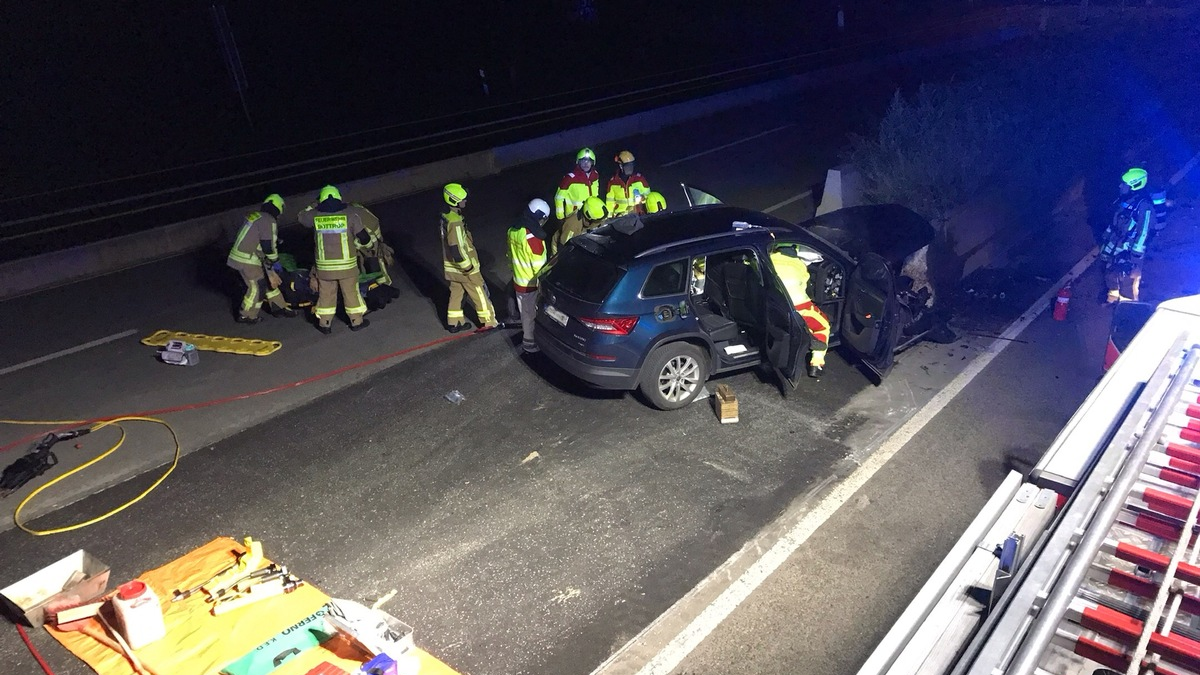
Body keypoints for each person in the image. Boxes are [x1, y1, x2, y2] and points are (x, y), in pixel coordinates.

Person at [297, 185, 372, 334]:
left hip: (324, 269)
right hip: (347, 267)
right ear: (339, 198)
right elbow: (365, 238)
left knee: (326, 295)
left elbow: (300, 216)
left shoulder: (315, 215)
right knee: (351, 294)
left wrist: (314, 203)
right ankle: (356, 322)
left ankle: (325, 324)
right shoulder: (351, 214)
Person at [226, 193, 297, 324]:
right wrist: (275, 261)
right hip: (248, 259)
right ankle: (246, 315)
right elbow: (268, 246)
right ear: (278, 208)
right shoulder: (269, 220)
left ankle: (279, 307)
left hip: (243, 256)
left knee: (269, 281)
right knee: (257, 286)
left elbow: (254, 237)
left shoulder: (256, 216)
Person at [441, 183, 497, 332]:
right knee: (479, 293)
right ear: (454, 200)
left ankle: (454, 323)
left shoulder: (447, 217)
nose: (465, 201)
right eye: (462, 199)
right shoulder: (455, 222)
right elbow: (456, 248)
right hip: (464, 268)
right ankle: (488, 322)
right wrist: (468, 267)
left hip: (452, 268)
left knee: (456, 293)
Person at [770, 244, 831, 378]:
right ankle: (817, 363)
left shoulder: (769, 260)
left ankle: (805, 333)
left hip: (776, 306)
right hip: (799, 307)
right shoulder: (799, 265)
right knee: (823, 326)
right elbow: (807, 288)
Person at [1100, 168, 1155, 303]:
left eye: (1124, 184)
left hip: (1129, 247)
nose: (1120, 186)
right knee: (1111, 269)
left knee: (1128, 277)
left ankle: (1128, 304)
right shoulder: (1126, 200)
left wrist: (1135, 254)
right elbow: (1116, 219)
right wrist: (1107, 235)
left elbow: (1144, 232)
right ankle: (1113, 296)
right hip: (1116, 241)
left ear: (1134, 186)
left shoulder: (1144, 206)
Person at [508, 199, 550, 352]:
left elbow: (510, 255)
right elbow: (540, 268)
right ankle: (529, 343)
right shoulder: (534, 239)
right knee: (529, 315)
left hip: (518, 279)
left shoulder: (514, 230)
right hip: (530, 284)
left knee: (525, 312)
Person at [351, 201, 400, 299]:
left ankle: (382, 288)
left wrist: (375, 244)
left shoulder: (351, 213)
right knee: (372, 261)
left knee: (372, 261)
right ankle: (381, 287)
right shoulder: (354, 209)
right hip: (367, 237)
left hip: (366, 238)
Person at [554, 148, 600, 220]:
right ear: (578, 162)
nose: (586, 163)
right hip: (575, 217)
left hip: (592, 215)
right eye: (583, 161)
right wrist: (561, 218)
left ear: (592, 163)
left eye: (589, 161)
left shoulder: (595, 175)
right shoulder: (569, 178)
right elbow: (558, 198)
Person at [604, 150, 651, 216]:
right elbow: (610, 203)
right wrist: (609, 218)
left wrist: (643, 198)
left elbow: (649, 196)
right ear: (621, 166)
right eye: (628, 166)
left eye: (631, 165)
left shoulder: (639, 179)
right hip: (620, 218)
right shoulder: (613, 182)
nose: (630, 168)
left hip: (637, 215)